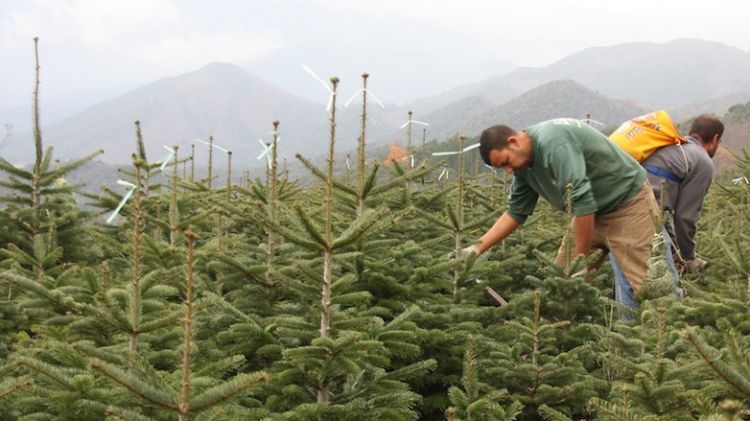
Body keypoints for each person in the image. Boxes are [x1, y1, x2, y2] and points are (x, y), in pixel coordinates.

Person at [462, 118, 660, 311]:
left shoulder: (553, 143)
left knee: (647, 286)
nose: (508, 170)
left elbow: (583, 201)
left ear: (513, 142)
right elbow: (515, 212)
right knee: (558, 288)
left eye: (506, 162)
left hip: (628, 205)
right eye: (502, 168)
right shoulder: (523, 166)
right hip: (591, 214)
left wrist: (579, 263)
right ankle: (553, 339)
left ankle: (662, 336)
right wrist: (475, 249)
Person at [609, 115, 723, 304]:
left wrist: (674, 249)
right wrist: (688, 257)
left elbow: (662, 213)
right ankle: (666, 328)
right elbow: (685, 217)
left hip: (614, 203)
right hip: (637, 211)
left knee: (625, 282)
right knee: (668, 285)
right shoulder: (702, 161)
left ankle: (626, 329)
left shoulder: (672, 149)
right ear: (716, 139)